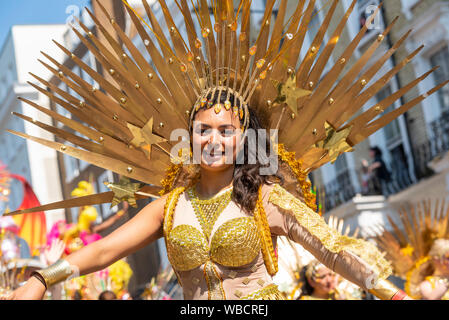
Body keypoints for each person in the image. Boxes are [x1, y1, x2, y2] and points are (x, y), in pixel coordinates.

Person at [4, 0, 441, 300]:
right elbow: (103, 250)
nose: (214, 141)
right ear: (191, 137)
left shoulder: (267, 199)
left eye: (226, 131)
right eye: (204, 130)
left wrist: (391, 291)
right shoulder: (169, 208)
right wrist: (43, 278)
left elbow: (332, 249)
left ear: (243, 139)